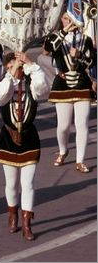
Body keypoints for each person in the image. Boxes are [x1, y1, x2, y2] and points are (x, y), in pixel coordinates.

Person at [0, 51, 48, 241]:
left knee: (28, 184)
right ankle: (12, 214)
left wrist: (30, 64)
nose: (16, 69)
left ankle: (26, 222)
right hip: (8, 138)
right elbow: (0, 98)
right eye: (11, 66)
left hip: (29, 138)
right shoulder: (4, 84)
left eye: (18, 66)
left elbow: (43, 87)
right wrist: (12, 71)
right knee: (11, 183)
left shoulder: (31, 86)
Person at [44, 11, 95, 173]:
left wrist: (79, 55)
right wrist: (65, 31)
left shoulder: (85, 39)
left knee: (82, 124)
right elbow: (48, 48)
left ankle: (80, 160)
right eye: (66, 18)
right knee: (64, 126)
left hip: (82, 83)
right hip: (62, 84)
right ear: (61, 19)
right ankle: (63, 150)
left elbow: (92, 61)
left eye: (72, 19)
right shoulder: (55, 37)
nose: (69, 22)